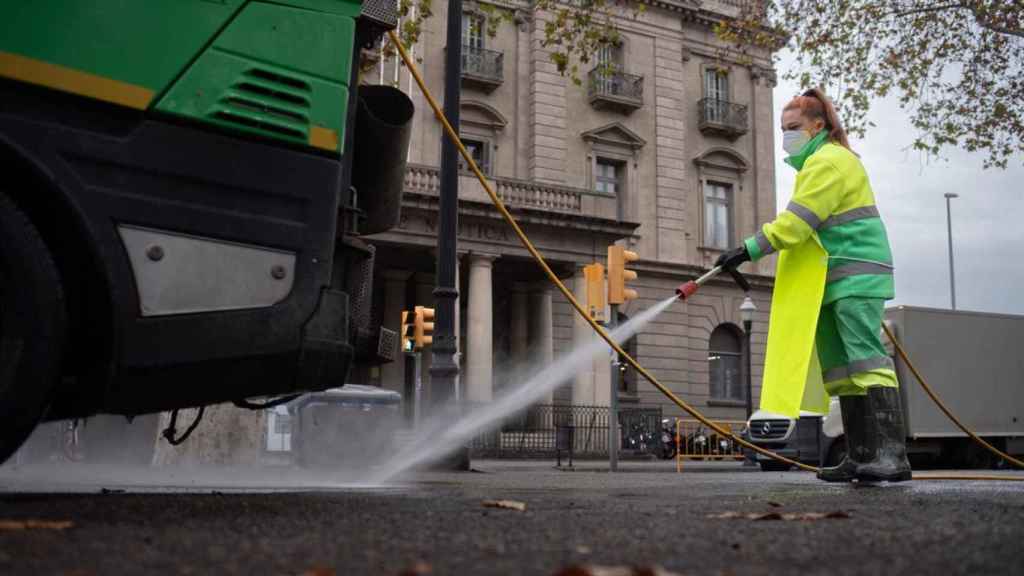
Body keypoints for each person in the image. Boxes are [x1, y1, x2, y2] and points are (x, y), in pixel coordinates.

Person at [715, 88, 911, 483]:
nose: (786, 136)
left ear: (818, 126)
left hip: (855, 275)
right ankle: (860, 455)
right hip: (833, 279)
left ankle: (893, 457)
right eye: (783, 129)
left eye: (793, 128)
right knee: (843, 371)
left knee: (869, 362)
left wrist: (746, 249)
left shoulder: (830, 162)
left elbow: (797, 223)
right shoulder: (816, 165)